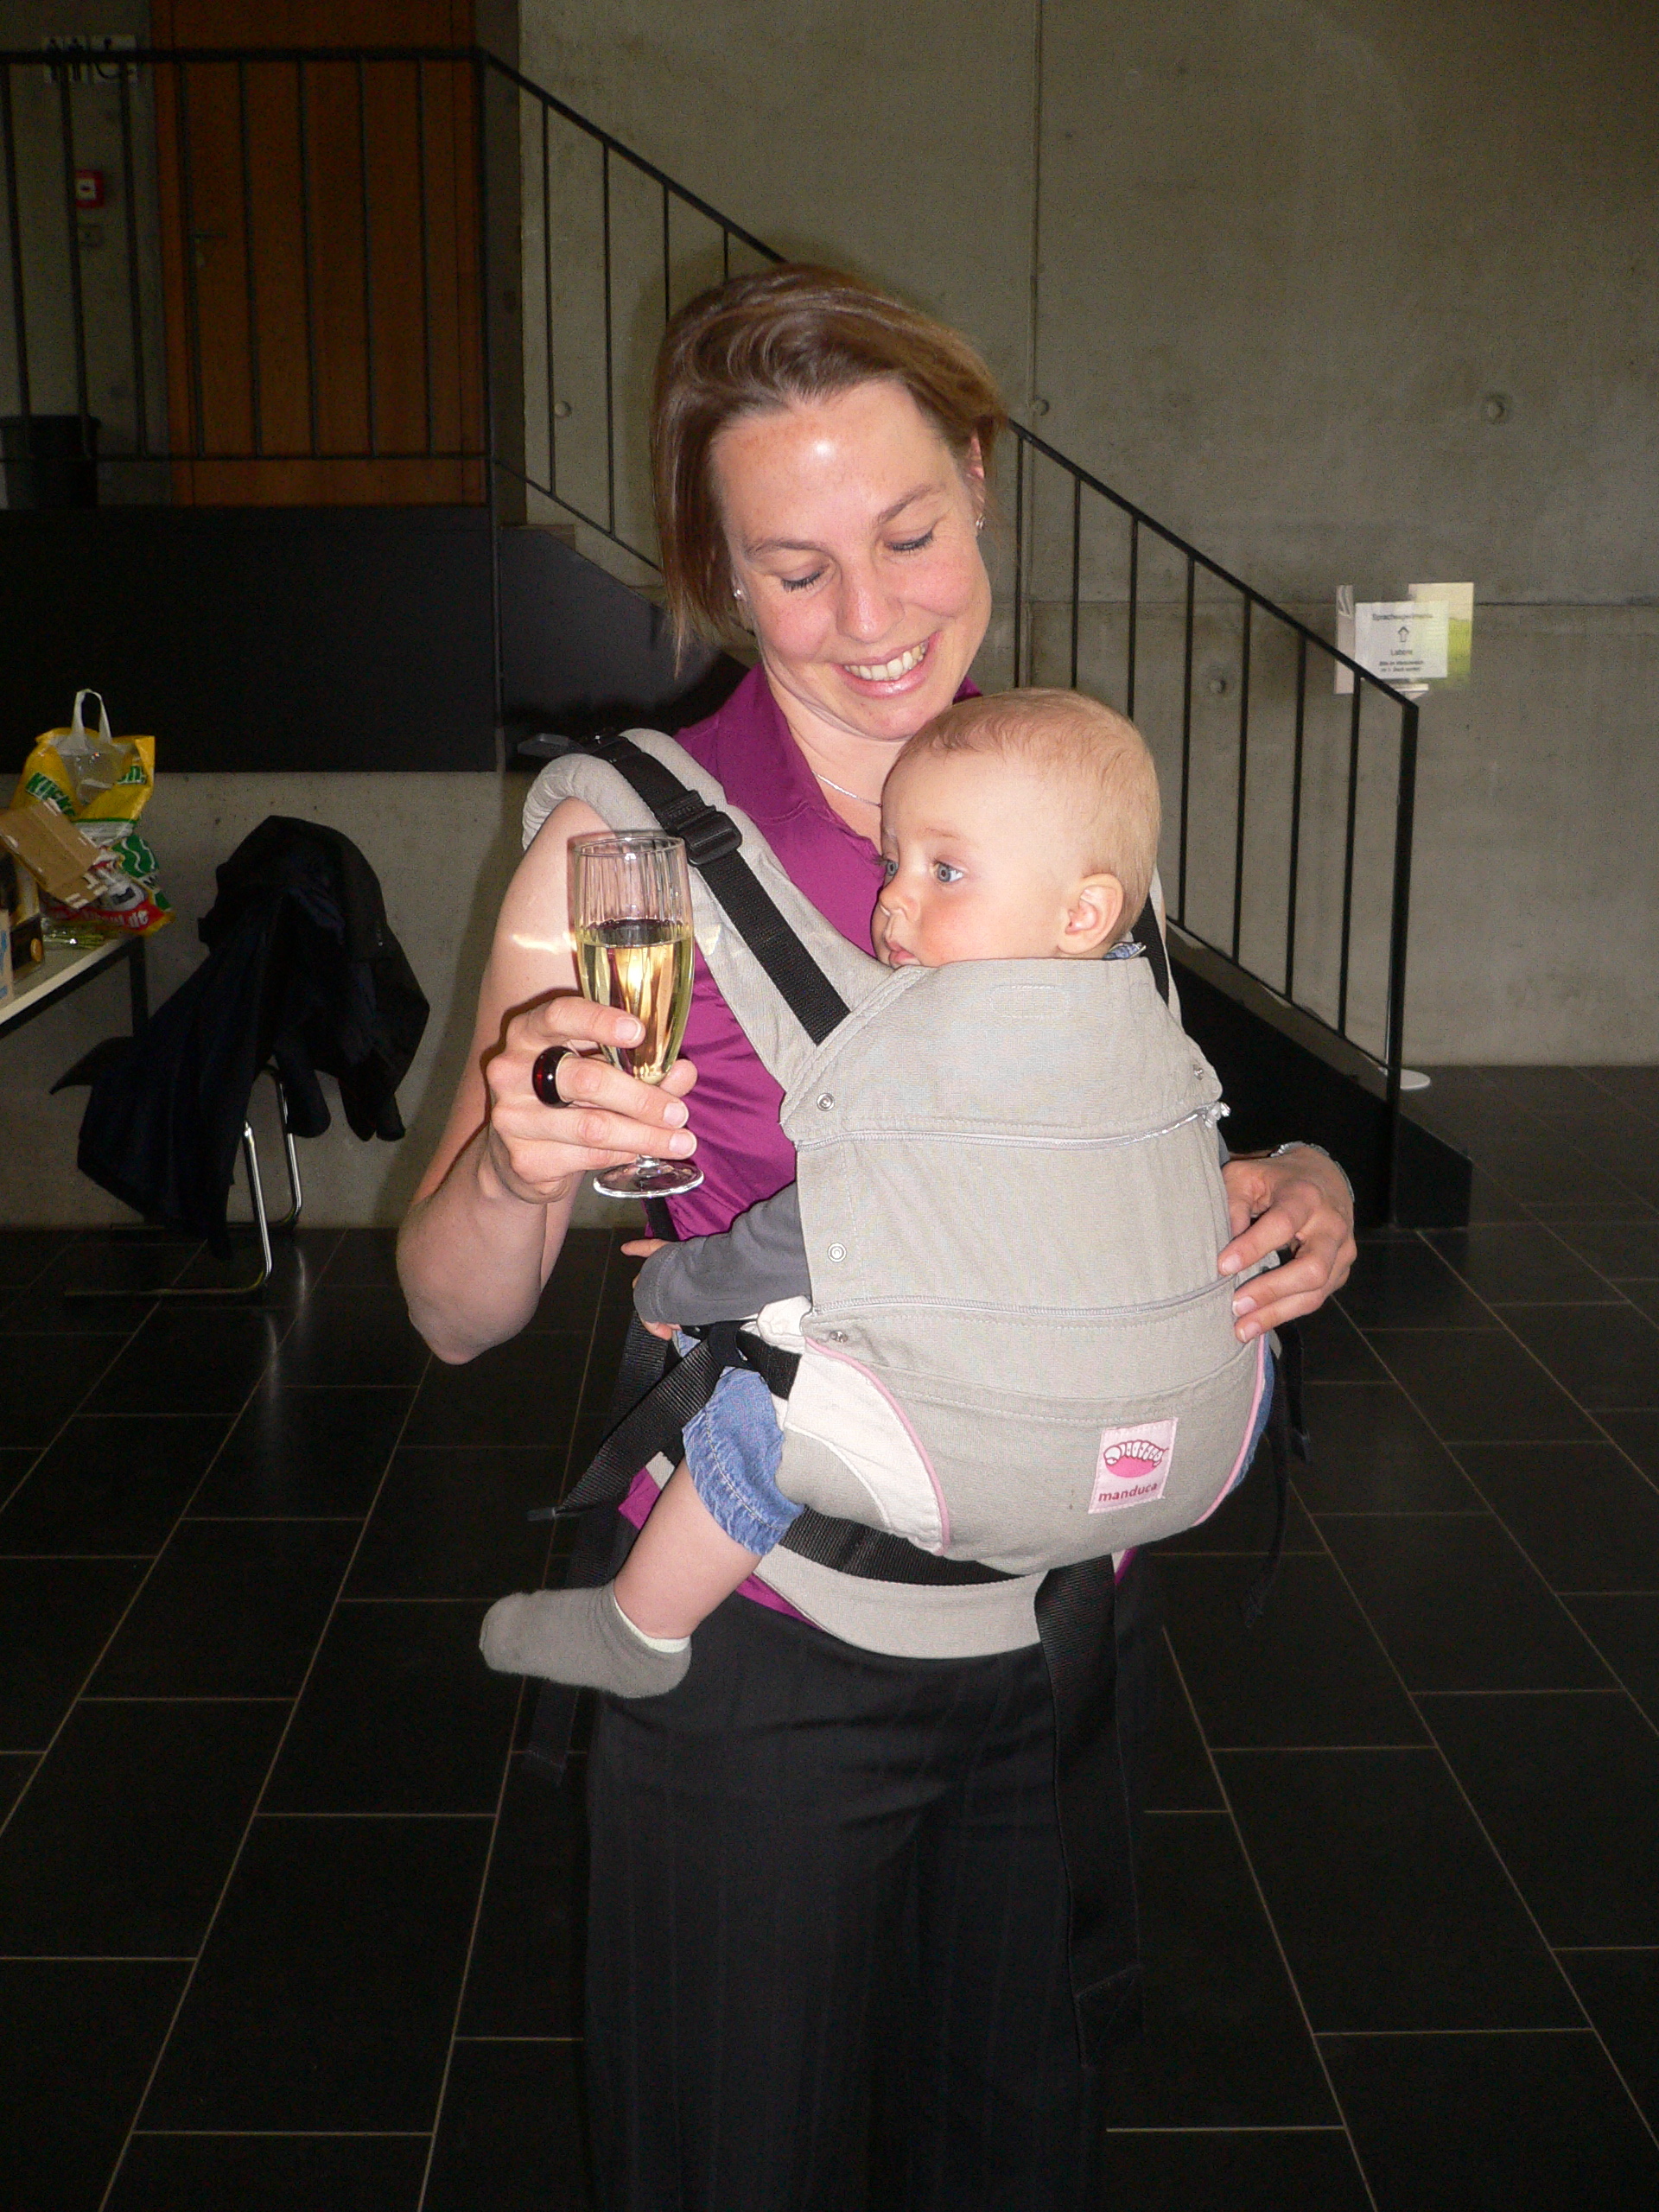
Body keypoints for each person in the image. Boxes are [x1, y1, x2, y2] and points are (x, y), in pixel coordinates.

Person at [397, 264, 1357, 2212]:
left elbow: (1095, 1148)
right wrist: (517, 1158)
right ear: (722, 576)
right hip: (766, 1648)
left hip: (1057, 1625)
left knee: (1019, 2143)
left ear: (981, 481)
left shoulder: (1056, 788)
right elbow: (453, 1316)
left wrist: (1288, 1181)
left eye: (910, 534)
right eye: (795, 567)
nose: (872, 617)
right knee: (727, 2154)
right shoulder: (622, 845)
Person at [477, 687, 1274, 1700]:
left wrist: (674, 1284)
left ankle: (640, 1626)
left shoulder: (933, 1050)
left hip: (971, 1459)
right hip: (1200, 1441)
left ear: (1081, 912)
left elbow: (813, 1236)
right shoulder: (1144, 1030)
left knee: (758, 1409)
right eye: (894, 861)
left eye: (945, 871)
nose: (894, 900)